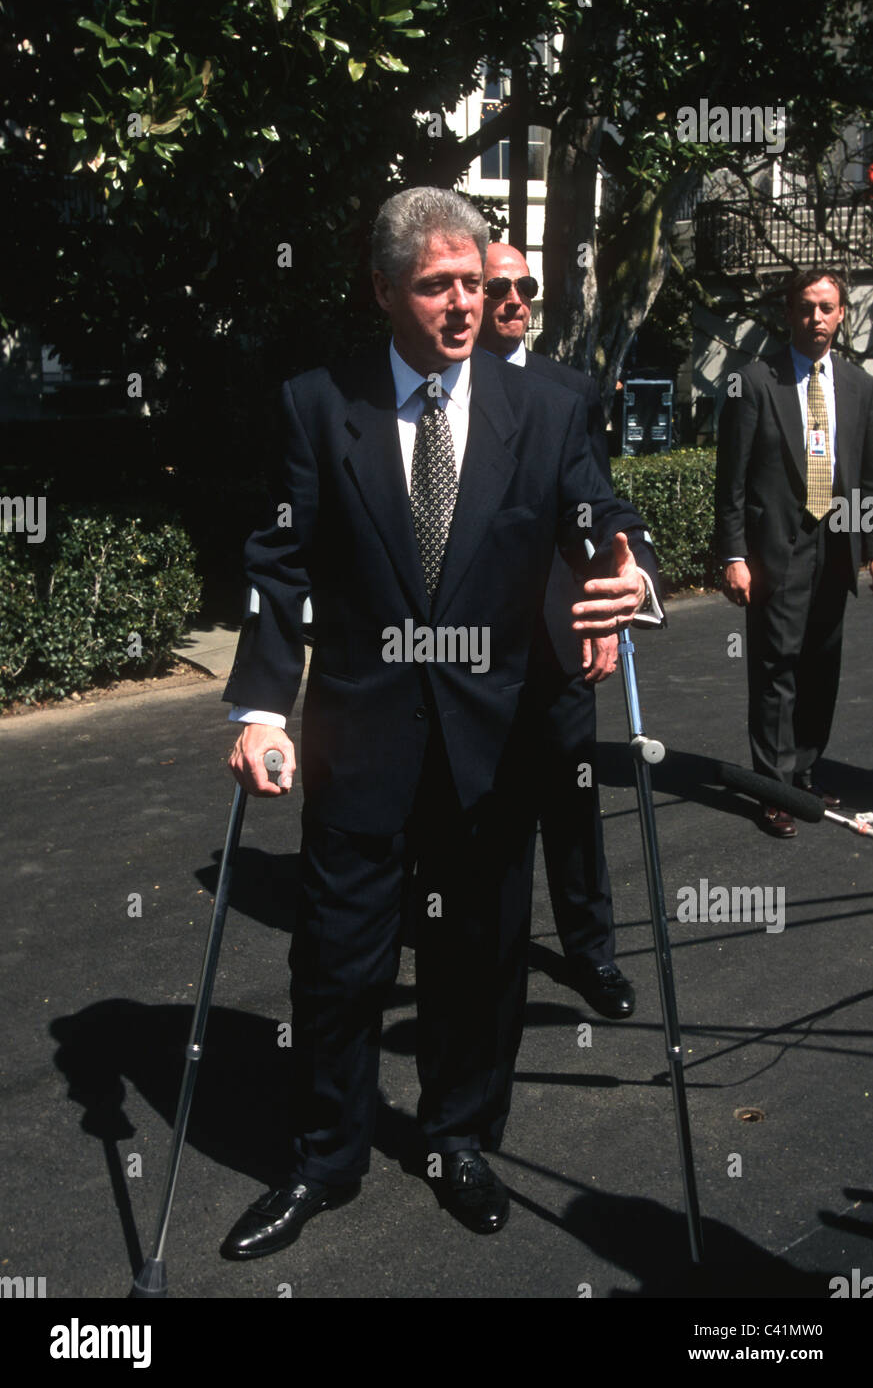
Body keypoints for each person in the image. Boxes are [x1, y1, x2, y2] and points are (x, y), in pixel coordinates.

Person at [218, 187, 660, 1260]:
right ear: (384, 290)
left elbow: (593, 506)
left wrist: (624, 564)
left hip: (493, 741)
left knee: (479, 955)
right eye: (437, 285)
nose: (465, 305)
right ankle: (326, 1154)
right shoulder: (320, 404)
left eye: (475, 282)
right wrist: (261, 706)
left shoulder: (544, 405)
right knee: (337, 959)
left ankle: (461, 1137)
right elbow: (279, 563)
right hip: (360, 736)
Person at [476, 241, 655, 1018]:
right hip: (466, 652)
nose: (515, 298)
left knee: (573, 807)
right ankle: (489, 964)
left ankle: (592, 957)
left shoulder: (570, 391)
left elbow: (596, 511)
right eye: (498, 287)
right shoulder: (428, 394)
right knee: (482, 818)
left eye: (525, 286)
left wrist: (613, 606)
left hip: (560, 636)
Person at [715, 267, 873, 837]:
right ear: (789, 314)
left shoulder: (858, 386)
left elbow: (869, 473)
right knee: (776, 665)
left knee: (820, 665)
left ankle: (804, 773)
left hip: (836, 545)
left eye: (827, 308)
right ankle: (774, 789)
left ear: (841, 315)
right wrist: (733, 554)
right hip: (776, 548)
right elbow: (729, 480)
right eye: (806, 308)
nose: (817, 319)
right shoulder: (756, 381)